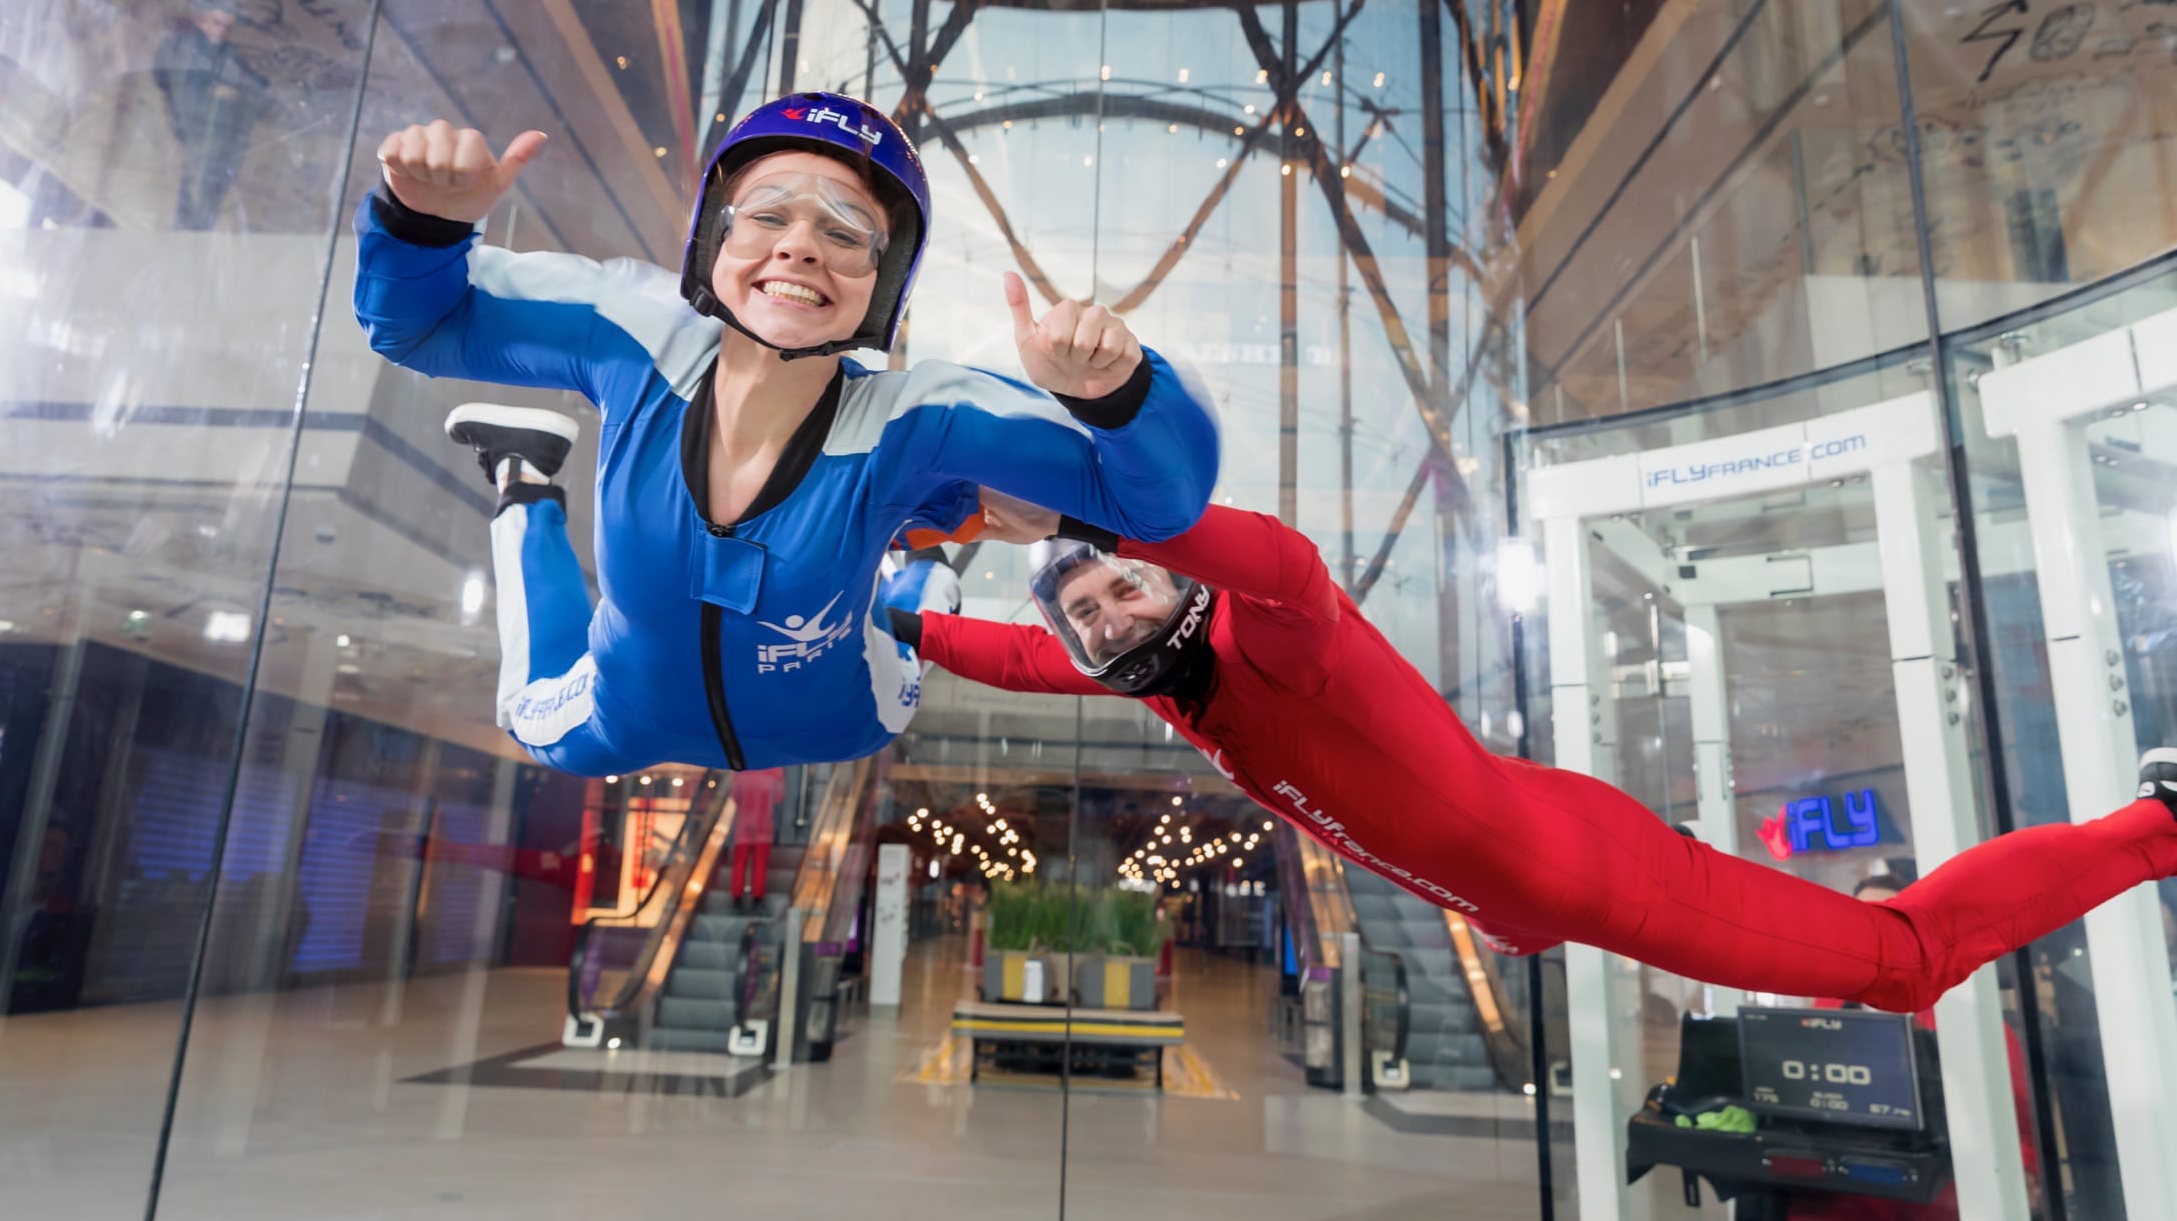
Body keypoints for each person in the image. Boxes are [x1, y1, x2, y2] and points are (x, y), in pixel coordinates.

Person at [885, 491, 2177, 1015]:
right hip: (1529, 871)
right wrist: (889, 616)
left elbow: (1278, 559)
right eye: (1088, 609)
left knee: (1901, 964)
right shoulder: (1164, 681)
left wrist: (1076, 503)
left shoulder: (1271, 637)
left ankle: (2159, 827)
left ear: (1170, 579)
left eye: (1125, 585)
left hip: (1594, 873)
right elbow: (1009, 654)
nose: (1109, 618)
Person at [354, 92, 1218, 777]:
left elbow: (1158, 500)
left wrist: (1120, 390)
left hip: (849, 714)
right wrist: (421, 223)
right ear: (714, 240)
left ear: (884, 282)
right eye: (766, 215)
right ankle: (526, 484)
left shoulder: (920, 418)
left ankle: (927, 559)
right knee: (531, 706)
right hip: (622, 716)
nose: (800, 247)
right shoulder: (633, 333)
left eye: (846, 233)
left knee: (911, 617)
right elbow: (421, 324)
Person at [1780, 871, 2039, 1221]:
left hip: (1940, 1202)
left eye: (1887, 921)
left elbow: (2021, 1128)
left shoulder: (1974, 1027)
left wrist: (2022, 1172)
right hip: (1838, 1202)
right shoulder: (1826, 1008)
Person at [152, 1, 271, 230]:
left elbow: (252, 80)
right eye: (217, 23)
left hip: (218, 131)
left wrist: (245, 89)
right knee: (198, 178)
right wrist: (214, 93)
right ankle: (189, 227)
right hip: (195, 128)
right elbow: (171, 82)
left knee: (212, 181)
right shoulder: (182, 48)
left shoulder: (228, 52)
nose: (222, 31)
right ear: (202, 22)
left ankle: (198, 226)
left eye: (227, 27)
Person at [728, 768, 786, 914]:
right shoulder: (775, 772)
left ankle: (737, 897)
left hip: (744, 823)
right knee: (760, 863)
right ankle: (757, 898)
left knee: (740, 862)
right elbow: (779, 797)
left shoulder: (741, 771)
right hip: (764, 824)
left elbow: (735, 796)